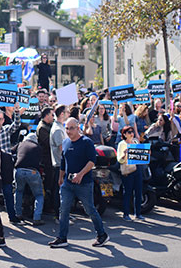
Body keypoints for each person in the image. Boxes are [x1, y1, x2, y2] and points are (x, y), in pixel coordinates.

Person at [49, 118, 109, 249]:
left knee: (89, 209)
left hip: (84, 183)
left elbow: (92, 161)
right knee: (63, 209)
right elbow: (64, 162)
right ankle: (62, 237)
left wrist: (80, 174)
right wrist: (61, 177)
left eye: (71, 128)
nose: (69, 131)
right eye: (67, 128)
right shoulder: (65, 142)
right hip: (67, 183)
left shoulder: (86, 142)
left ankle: (102, 234)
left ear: (78, 128)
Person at [0, 103, 25, 224]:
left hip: (5, 164)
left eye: (0, 119)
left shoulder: (6, 130)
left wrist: (16, 112)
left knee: (8, 191)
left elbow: (16, 125)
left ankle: (12, 216)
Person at [13, 132, 45, 225]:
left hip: (19, 170)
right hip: (33, 172)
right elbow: (41, 161)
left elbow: (12, 152)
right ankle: (37, 218)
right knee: (39, 195)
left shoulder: (20, 144)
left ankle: (18, 214)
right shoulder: (38, 147)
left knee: (18, 191)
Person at [117, 125, 144, 221]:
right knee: (128, 192)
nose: (131, 134)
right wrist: (125, 154)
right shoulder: (122, 144)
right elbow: (119, 159)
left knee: (138, 191)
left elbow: (140, 156)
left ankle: (138, 213)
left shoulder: (135, 142)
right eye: (129, 132)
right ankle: (126, 214)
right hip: (128, 170)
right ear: (124, 134)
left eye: (132, 132)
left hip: (137, 168)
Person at [50, 105, 68, 221]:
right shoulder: (57, 129)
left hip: (62, 164)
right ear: (62, 114)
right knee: (59, 192)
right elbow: (63, 148)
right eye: (67, 112)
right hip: (59, 165)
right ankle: (59, 216)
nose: (68, 114)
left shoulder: (61, 127)